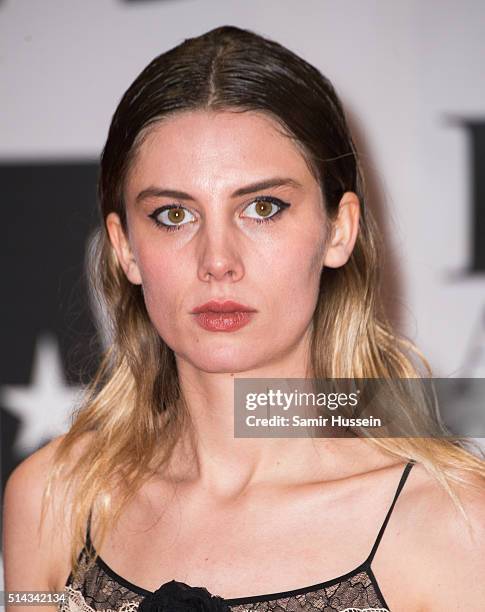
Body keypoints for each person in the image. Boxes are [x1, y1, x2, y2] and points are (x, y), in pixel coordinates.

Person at [3, 25, 485, 612]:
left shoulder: (452, 524)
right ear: (125, 247)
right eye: (173, 214)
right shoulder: (55, 499)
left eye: (262, 208)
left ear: (339, 229)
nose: (217, 262)